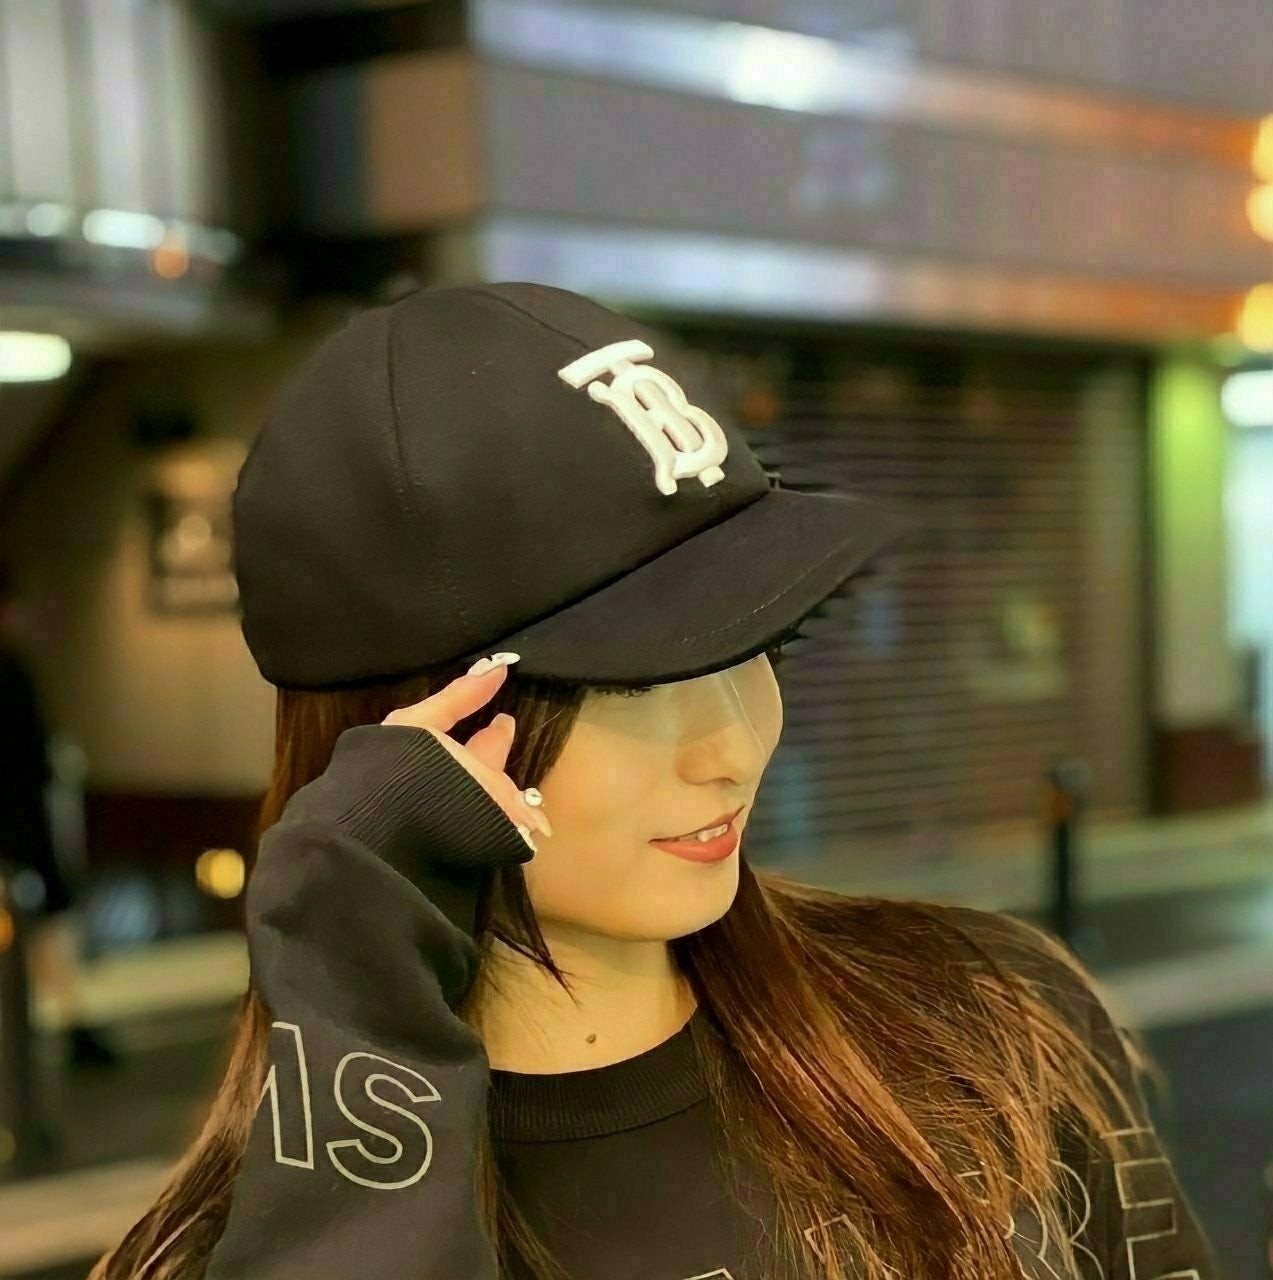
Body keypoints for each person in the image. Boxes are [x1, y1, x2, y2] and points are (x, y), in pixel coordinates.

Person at [92, 284, 1220, 1280]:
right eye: (632, 680)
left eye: (752, 645)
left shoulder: (988, 1024)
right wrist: (352, 993)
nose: (730, 744)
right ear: (403, 731)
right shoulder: (212, 1255)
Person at [0, 562, 116, 1069]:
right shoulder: (12, 676)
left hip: (20, 833)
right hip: (22, 833)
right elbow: (33, 765)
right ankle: (74, 1031)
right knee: (46, 938)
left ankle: (72, 1030)